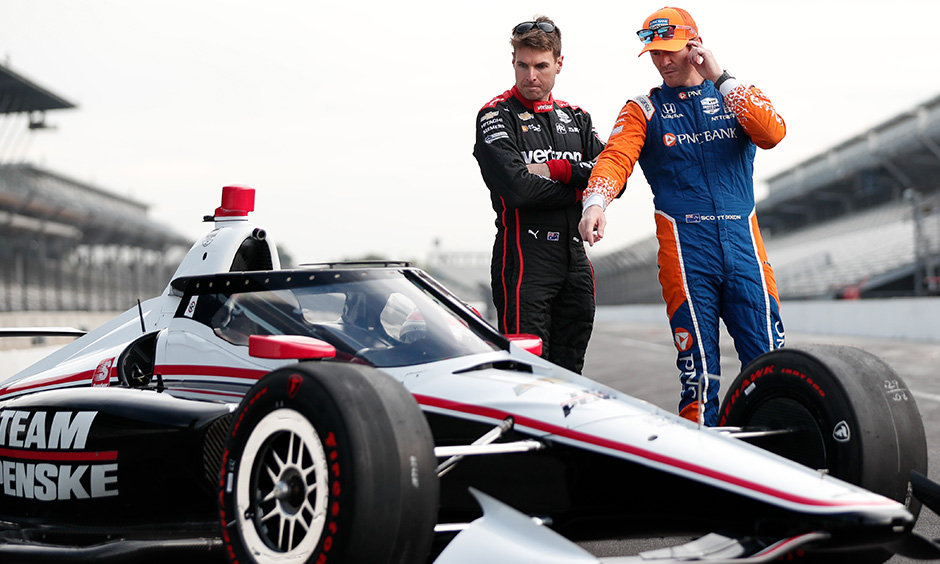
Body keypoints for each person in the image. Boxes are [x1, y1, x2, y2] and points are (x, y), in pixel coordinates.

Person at [578, 7, 786, 425]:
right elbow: (615, 157)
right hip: (687, 258)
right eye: (654, 53)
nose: (663, 61)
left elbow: (773, 133)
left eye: (671, 51)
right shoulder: (643, 108)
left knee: (773, 370)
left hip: (745, 253)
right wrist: (595, 201)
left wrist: (721, 77)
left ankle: (787, 467)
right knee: (700, 379)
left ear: (695, 45)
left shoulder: (734, 95)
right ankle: (704, 480)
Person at [474, 16, 605, 374]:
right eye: (523, 65)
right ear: (513, 61)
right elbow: (520, 190)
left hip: (574, 258)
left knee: (570, 371)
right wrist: (582, 187)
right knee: (526, 374)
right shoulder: (494, 115)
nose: (531, 75)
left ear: (558, 64)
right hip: (524, 258)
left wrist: (559, 171)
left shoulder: (578, 119)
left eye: (541, 66)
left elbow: (613, 176)